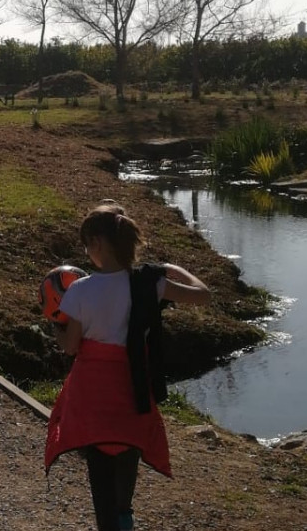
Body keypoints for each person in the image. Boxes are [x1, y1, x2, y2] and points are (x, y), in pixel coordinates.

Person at [44, 203, 210, 531]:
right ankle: (125, 515)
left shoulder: (79, 290)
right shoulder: (150, 284)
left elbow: (71, 346)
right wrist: (172, 268)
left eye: (86, 244)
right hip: (132, 386)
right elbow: (203, 295)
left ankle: (110, 522)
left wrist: (54, 326)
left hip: (91, 394)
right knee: (127, 451)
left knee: (100, 467)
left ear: (97, 243)